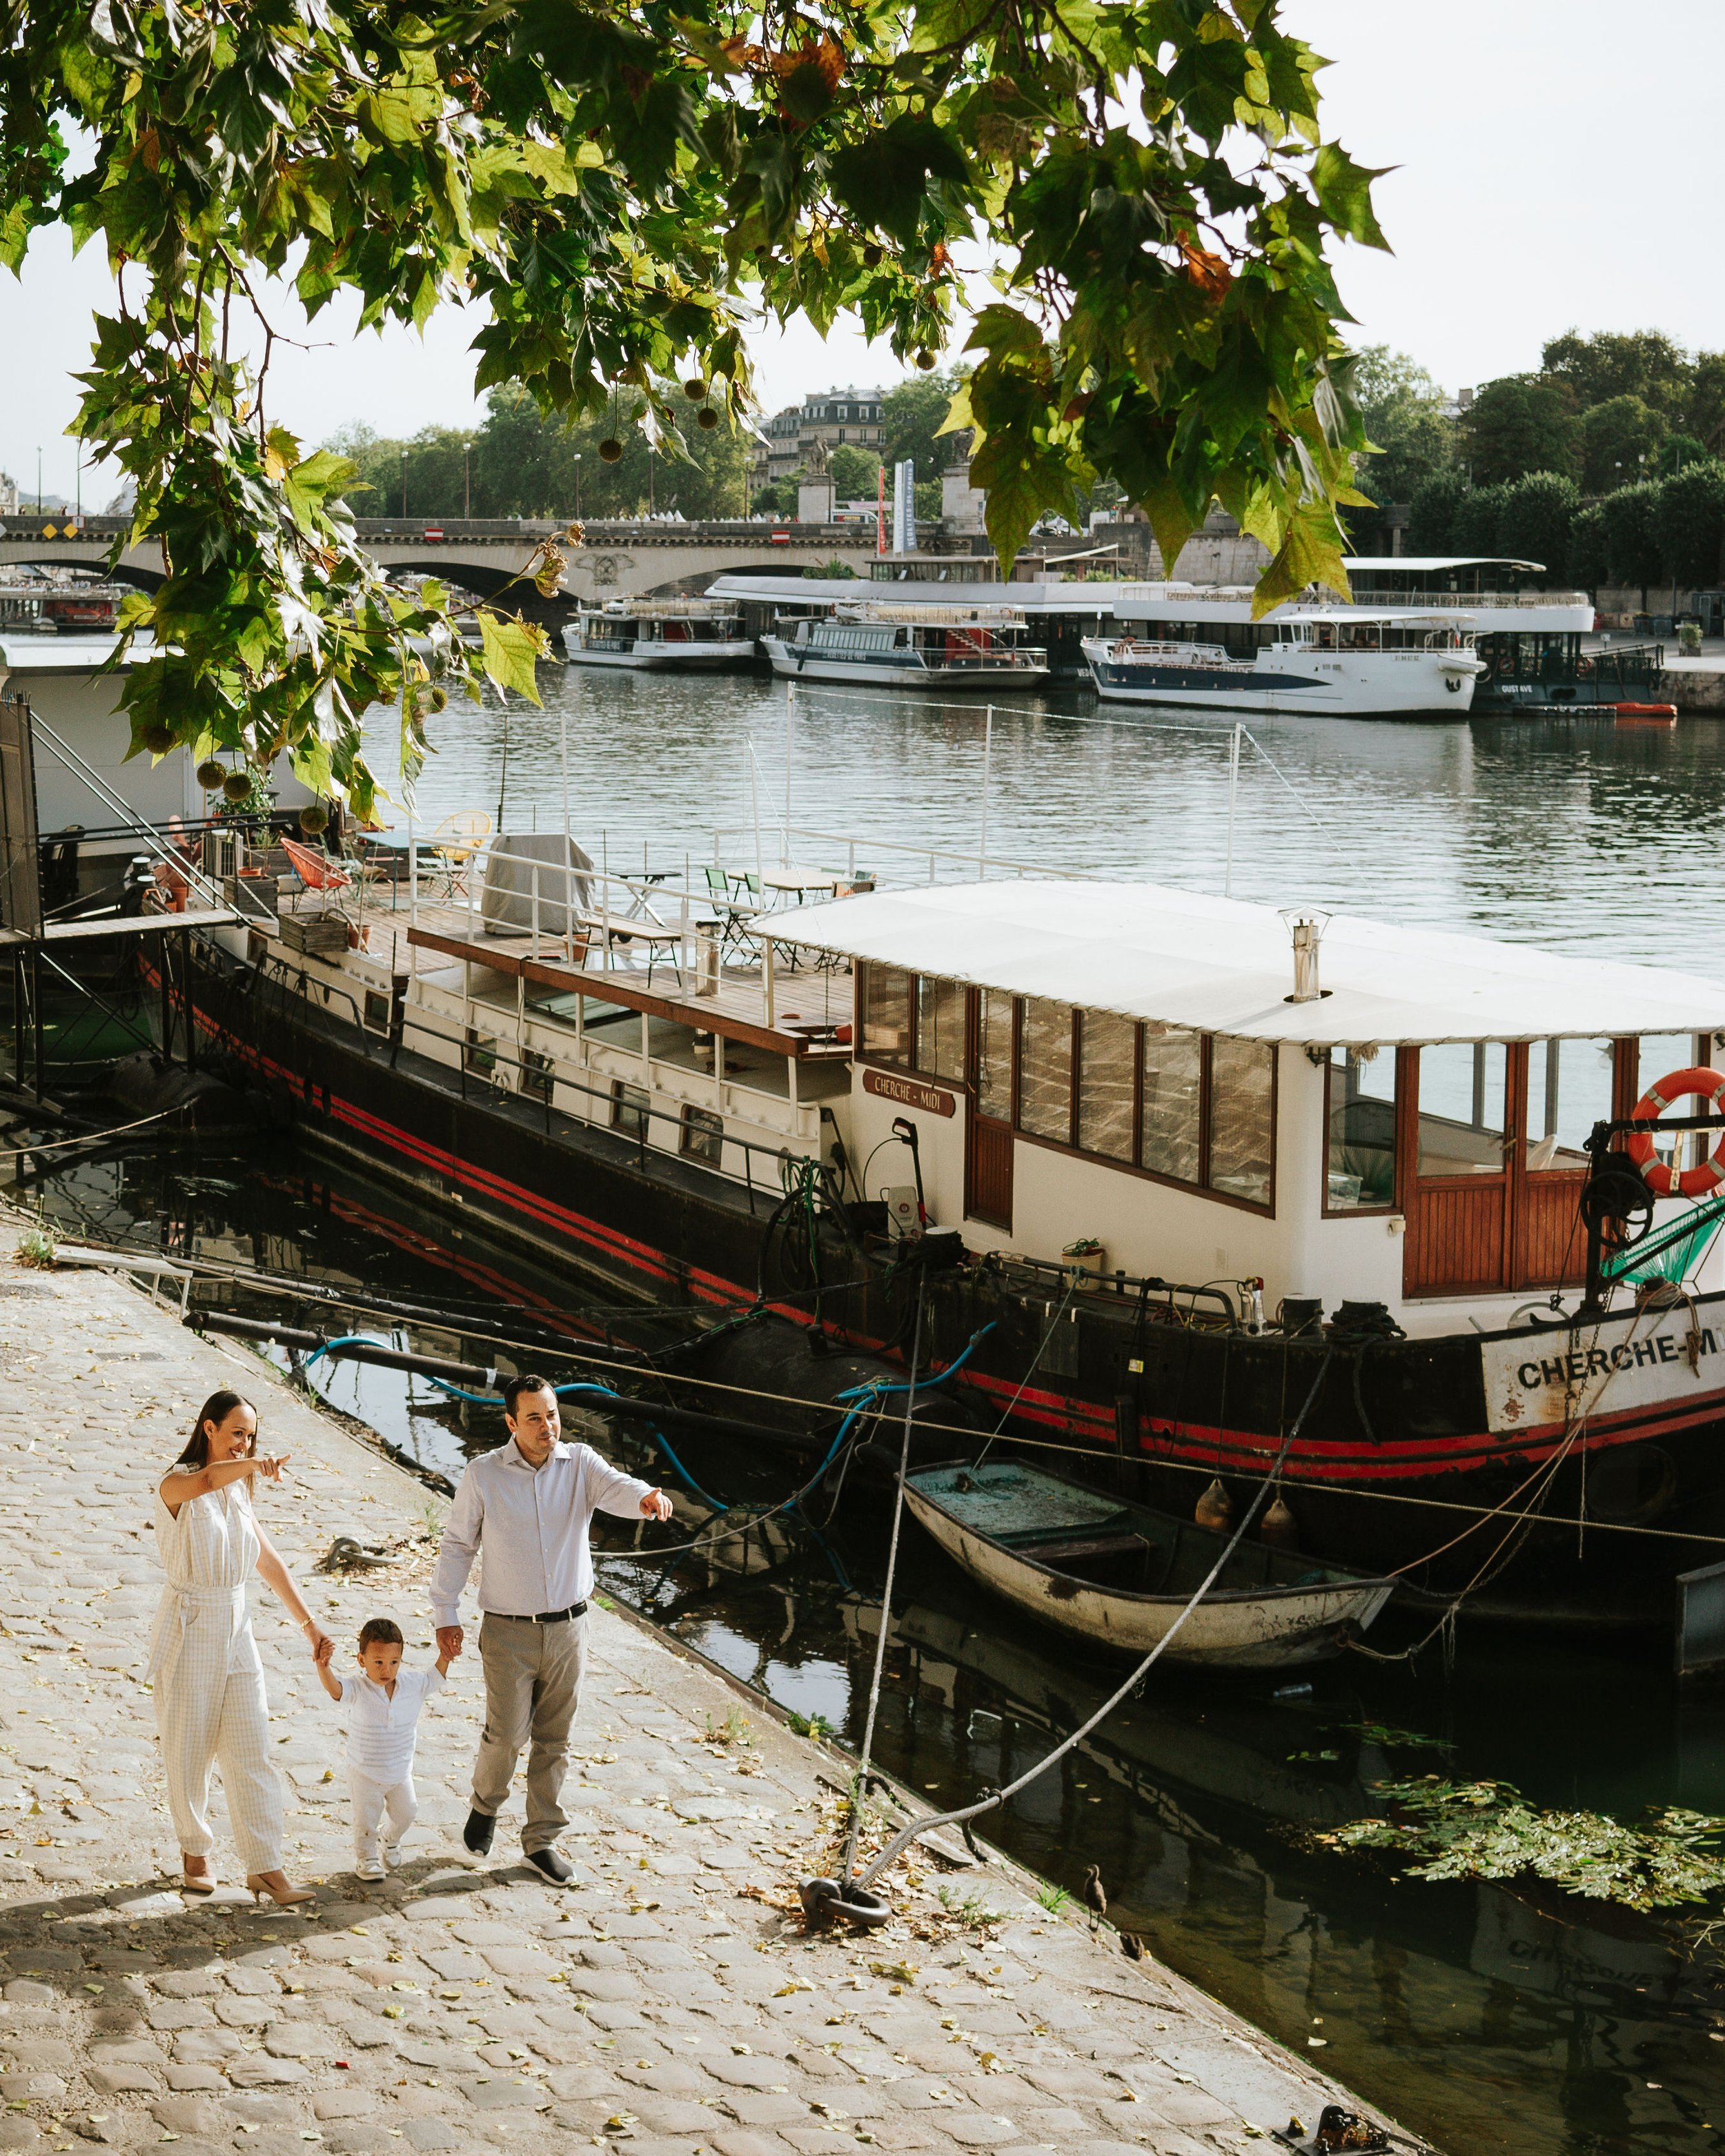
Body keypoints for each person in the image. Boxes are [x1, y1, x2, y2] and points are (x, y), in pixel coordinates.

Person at [429, 1375, 672, 1884]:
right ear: (512, 1422)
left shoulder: (579, 1462)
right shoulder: (484, 1474)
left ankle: (540, 1842)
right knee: (507, 1736)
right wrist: (445, 1613)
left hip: (569, 1628)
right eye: (535, 1417)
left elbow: (618, 1487)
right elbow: (457, 1545)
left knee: (555, 1740)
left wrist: (646, 1496)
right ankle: (485, 1804)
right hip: (508, 1631)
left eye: (553, 1414)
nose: (548, 1426)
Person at [149, 1388, 334, 1903]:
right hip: (191, 1623)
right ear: (208, 1428)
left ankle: (264, 1866)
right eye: (236, 1433)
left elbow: (265, 1558)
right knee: (189, 1750)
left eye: (251, 1436)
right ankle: (195, 1850)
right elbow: (207, 1479)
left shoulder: (240, 1488)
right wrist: (254, 1461)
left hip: (238, 1625)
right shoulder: (176, 1482)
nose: (244, 1443)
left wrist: (310, 1624)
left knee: (252, 1745)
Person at [317, 1616, 452, 1881]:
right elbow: (335, 1690)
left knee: (408, 1812)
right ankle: (366, 1858)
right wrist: (323, 1667)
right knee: (365, 1821)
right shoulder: (358, 1688)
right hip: (364, 1772)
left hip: (400, 1772)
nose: (386, 1669)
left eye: (394, 1662)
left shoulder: (412, 1685)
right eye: (378, 1662)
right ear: (361, 1660)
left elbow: (434, 1678)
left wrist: (446, 1655)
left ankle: (390, 1839)